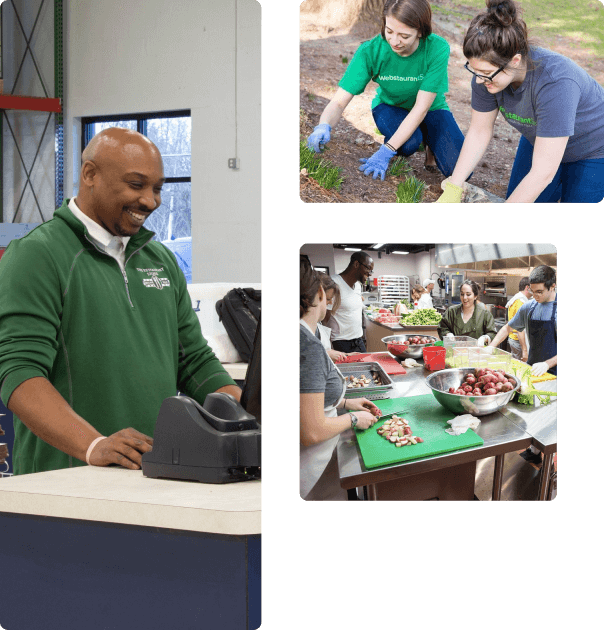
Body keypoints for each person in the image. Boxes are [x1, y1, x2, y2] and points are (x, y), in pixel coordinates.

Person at [0, 128, 241, 475]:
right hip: (65, 483)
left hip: (151, 473)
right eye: (136, 184)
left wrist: (241, 412)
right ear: (89, 174)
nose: (150, 201)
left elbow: (194, 360)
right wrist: (94, 445)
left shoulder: (159, 260)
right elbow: (19, 375)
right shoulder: (38, 254)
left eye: (157, 188)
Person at [307, 0, 604, 203]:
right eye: (474, 71)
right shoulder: (484, 76)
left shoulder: (555, 83)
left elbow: (543, 171)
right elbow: (479, 131)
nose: (480, 81)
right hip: (540, 137)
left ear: (515, 60)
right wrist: (455, 185)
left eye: (487, 74)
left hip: (592, 148)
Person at [300, 259, 381, 500]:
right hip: (313, 468)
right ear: (320, 294)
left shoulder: (306, 336)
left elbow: (309, 397)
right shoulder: (308, 346)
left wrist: (346, 403)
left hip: (320, 463)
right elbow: (311, 431)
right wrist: (354, 419)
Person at [488, 265, 557, 463]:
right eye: (532, 291)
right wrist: (490, 348)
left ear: (553, 286)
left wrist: (547, 363)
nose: (535, 295)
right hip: (535, 371)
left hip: (553, 370)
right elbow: (508, 327)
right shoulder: (529, 307)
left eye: (540, 292)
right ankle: (535, 451)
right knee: (538, 412)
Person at [323, 251, 374, 354]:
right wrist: (327, 347)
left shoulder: (358, 286)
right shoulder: (334, 283)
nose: (370, 274)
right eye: (368, 268)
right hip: (340, 343)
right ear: (356, 264)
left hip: (359, 341)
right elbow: (324, 317)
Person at [438, 280, 497, 345]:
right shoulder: (451, 312)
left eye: (468, 294)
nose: (465, 298)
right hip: (454, 352)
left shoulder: (484, 314)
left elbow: (492, 333)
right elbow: (442, 327)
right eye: (462, 294)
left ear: (475, 296)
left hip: (476, 352)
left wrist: (485, 338)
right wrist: (448, 334)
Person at [504, 276, 532, 361]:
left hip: (514, 339)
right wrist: (525, 350)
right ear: (527, 287)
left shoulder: (516, 299)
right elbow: (521, 329)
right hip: (518, 340)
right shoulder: (520, 302)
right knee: (520, 367)